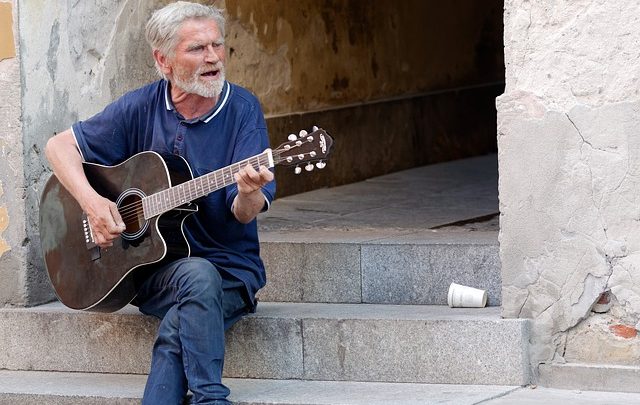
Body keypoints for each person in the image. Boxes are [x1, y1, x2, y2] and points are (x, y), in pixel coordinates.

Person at [44, 2, 275, 404]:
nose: (213, 57)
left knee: (184, 310)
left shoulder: (242, 110)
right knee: (191, 283)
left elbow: (242, 214)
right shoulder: (141, 106)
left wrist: (249, 192)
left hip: (229, 272)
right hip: (152, 271)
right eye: (197, 49)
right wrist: (95, 203)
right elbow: (57, 146)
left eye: (217, 45)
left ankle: (209, 398)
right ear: (163, 60)